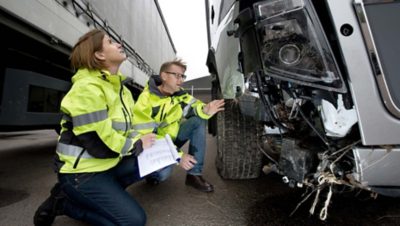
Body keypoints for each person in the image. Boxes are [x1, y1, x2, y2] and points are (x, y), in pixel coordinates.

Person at [33, 29, 159, 226]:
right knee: (133, 221)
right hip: (82, 173)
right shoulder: (87, 88)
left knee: (151, 161)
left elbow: (130, 128)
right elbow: (98, 142)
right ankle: (64, 204)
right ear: (99, 54)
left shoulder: (122, 90)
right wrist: (137, 143)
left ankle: (101, 197)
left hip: (108, 163)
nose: (118, 44)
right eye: (110, 42)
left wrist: (147, 140)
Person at [132, 59, 225, 193]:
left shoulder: (179, 95)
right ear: (164, 76)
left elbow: (194, 107)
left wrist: (205, 110)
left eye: (182, 76)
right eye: (177, 75)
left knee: (198, 121)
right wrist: (178, 156)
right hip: (153, 145)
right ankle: (150, 173)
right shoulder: (146, 100)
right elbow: (148, 138)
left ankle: (194, 175)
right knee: (162, 175)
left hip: (172, 140)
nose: (181, 80)